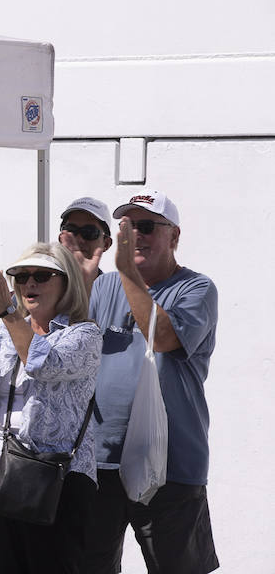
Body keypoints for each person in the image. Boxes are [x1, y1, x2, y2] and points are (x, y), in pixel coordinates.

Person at [82, 190, 219, 574]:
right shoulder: (104, 287)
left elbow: (162, 338)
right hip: (100, 463)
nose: (135, 236)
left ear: (174, 236)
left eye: (145, 226)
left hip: (171, 465)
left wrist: (127, 273)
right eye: (127, 227)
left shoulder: (197, 289)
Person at [0, 242, 101, 573]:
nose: (29, 283)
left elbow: (42, 363)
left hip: (56, 479)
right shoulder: (4, 330)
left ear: (66, 283)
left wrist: (8, 312)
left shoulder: (84, 334)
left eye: (42, 276)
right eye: (21, 277)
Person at [58, 196, 113, 289]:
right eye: (71, 230)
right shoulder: (41, 285)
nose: (79, 239)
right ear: (61, 238)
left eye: (89, 232)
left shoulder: (115, 293)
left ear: (106, 244)